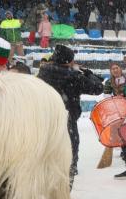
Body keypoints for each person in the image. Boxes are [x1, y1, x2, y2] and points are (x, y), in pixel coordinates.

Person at [38, 44, 104, 185]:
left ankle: (47, 195)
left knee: (47, 159)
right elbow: (98, 88)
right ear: (69, 61)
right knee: (69, 159)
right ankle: (64, 196)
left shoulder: (43, 72)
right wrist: (87, 73)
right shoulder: (73, 76)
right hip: (67, 121)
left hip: (45, 121)